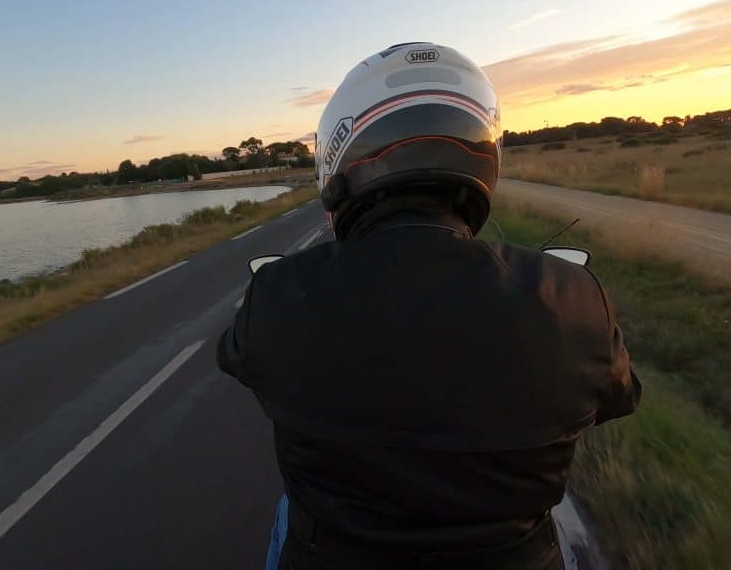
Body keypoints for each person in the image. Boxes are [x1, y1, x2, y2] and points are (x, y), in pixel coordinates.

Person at [217, 43, 641, 570]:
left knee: (290, 510)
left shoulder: (279, 293)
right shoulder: (573, 295)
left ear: (339, 162)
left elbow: (235, 357)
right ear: (483, 157)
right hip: (516, 556)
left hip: (330, 554)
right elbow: (619, 397)